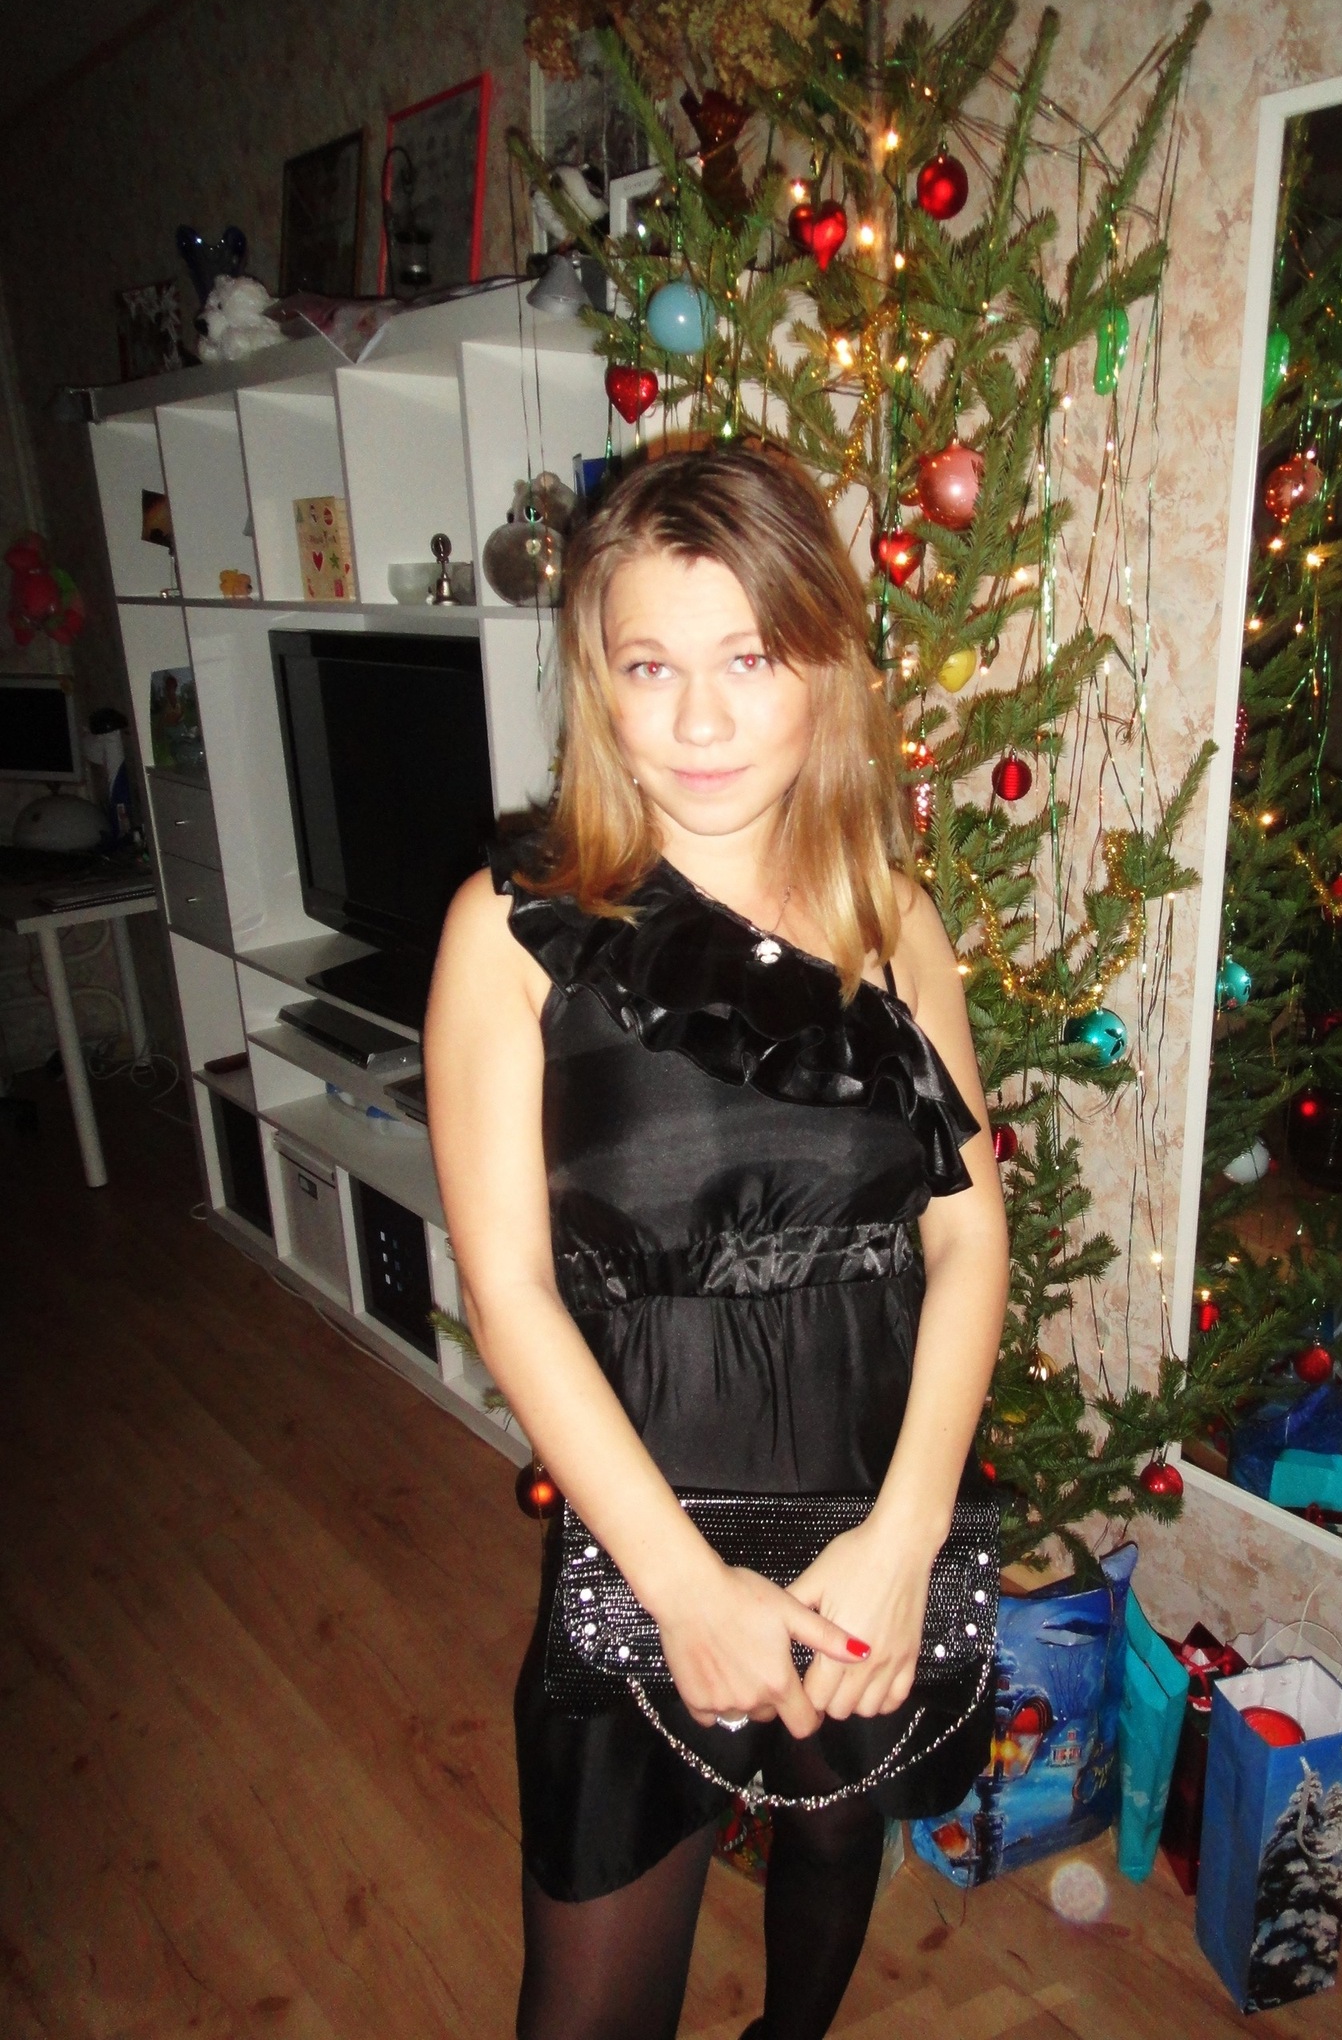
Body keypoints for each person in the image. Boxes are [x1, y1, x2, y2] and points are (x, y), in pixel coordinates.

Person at [425, 446, 1009, 2040]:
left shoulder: (893, 918)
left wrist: (904, 1535)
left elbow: (970, 1243)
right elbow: (510, 1293)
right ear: (597, 685)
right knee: (589, 2006)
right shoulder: (512, 930)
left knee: (835, 1841)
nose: (696, 721)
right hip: (648, 1529)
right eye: (649, 667)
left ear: (824, 667)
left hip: (873, 1501)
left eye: (748, 659)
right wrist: (683, 1589)